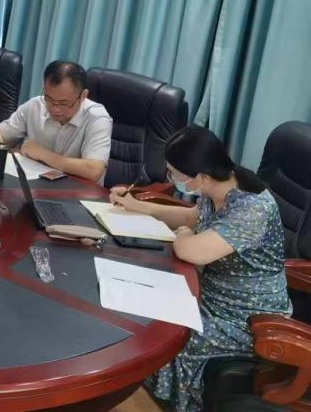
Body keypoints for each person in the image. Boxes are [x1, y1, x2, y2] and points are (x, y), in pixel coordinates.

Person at [109, 126, 290, 412]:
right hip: (209, 294)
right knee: (141, 308)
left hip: (246, 315)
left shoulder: (252, 209)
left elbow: (190, 250)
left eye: (174, 174)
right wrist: (136, 206)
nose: (171, 179)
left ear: (202, 176)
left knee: (167, 335)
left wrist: (182, 235)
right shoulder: (219, 185)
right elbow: (191, 217)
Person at [0, 60, 111, 183]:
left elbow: (94, 170)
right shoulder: (35, 105)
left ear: (83, 95)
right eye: (49, 99)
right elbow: (2, 133)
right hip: (36, 187)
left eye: (63, 103)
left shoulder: (97, 118)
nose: (54, 108)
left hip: (78, 193)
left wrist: (41, 154)